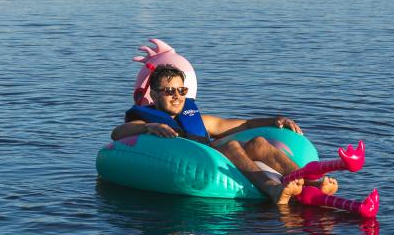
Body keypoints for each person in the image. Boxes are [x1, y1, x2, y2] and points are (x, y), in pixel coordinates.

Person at [111, 64, 339, 205]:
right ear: (154, 93)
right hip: (198, 161)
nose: (177, 96)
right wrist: (147, 127)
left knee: (258, 142)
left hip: (214, 154)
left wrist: (275, 120)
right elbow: (118, 133)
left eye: (181, 90)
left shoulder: (195, 116)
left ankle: (312, 183)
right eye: (169, 91)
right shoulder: (148, 119)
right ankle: (272, 189)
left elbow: (242, 124)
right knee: (230, 147)